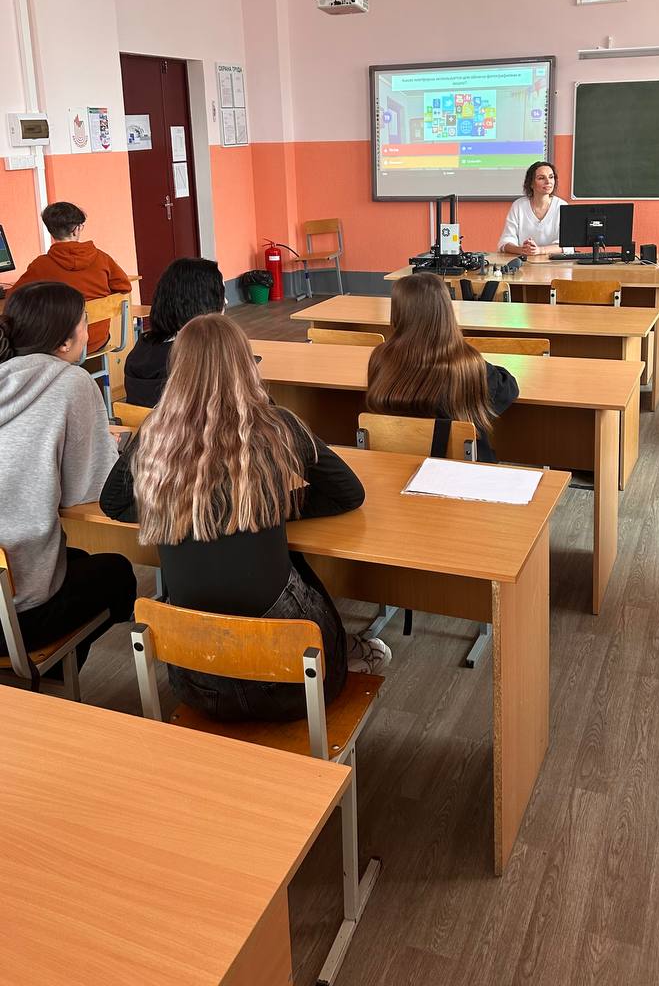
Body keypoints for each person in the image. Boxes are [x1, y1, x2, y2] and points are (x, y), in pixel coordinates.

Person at [100, 314, 391, 723]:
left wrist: (179, 505)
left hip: (197, 680)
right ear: (246, 364)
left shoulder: (155, 434)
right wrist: (267, 502)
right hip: (294, 682)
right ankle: (347, 651)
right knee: (296, 563)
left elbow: (112, 503)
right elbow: (348, 493)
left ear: (177, 369)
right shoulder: (276, 426)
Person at [0, 282, 136, 667]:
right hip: (17, 617)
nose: (87, 333)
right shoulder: (71, 381)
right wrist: (107, 447)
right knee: (119, 573)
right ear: (63, 342)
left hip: (4, 575)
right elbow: (89, 489)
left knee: (74, 558)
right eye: (85, 323)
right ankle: (51, 677)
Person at [366, 273, 518, 462]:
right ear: (446, 311)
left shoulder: (381, 358)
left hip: (396, 462)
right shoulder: (467, 364)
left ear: (397, 313)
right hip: (461, 468)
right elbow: (508, 389)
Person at [11, 202, 131, 355]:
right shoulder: (102, 258)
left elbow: (14, 297)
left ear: (50, 230)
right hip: (98, 340)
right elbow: (125, 286)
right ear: (77, 229)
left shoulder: (40, 265)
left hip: (62, 345)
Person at [124, 257, 226, 406]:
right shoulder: (198, 360)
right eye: (221, 295)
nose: (225, 301)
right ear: (202, 302)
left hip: (145, 421)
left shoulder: (140, 351)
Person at [498, 161, 571, 257]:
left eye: (551, 177)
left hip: (555, 264)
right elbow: (505, 243)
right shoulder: (518, 205)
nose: (548, 182)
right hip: (525, 262)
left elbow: (568, 246)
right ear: (531, 183)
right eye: (541, 178)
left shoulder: (562, 206)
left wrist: (540, 250)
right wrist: (523, 250)